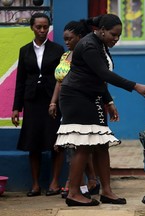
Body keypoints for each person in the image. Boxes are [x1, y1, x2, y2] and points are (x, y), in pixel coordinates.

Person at [54, 14, 145, 207]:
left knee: (101, 144)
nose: (116, 39)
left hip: (92, 97)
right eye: (113, 34)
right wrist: (135, 86)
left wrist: (108, 102)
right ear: (101, 30)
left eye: (119, 36)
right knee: (83, 145)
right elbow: (103, 74)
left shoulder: (100, 44)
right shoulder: (89, 45)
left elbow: (98, 79)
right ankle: (74, 193)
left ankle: (107, 191)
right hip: (76, 97)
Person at [11, 13, 65, 197]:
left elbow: (63, 77)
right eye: (38, 27)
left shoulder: (58, 50)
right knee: (33, 142)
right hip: (32, 101)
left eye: (45, 27)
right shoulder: (24, 50)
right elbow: (20, 80)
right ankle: (35, 185)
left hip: (53, 101)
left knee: (55, 142)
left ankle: (54, 182)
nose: (42, 30)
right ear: (32, 28)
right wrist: (16, 107)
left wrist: (58, 102)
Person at [48, 20, 100, 199]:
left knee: (75, 144)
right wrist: (53, 102)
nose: (67, 42)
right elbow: (59, 81)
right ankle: (90, 181)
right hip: (64, 104)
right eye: (64, 39)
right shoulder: (64, 56)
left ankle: (76, 183)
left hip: (78, 103)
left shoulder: (85, 56)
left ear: (80, 37)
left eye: (69, 38)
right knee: (74, 144)